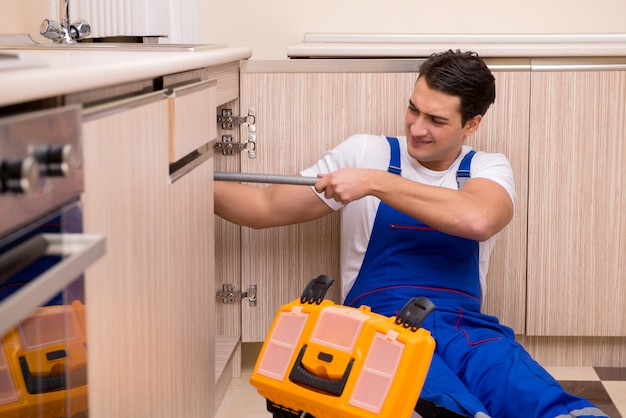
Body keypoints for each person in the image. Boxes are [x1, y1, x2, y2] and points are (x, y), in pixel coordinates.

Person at [214, 50, 607, 418]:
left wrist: (375, 184)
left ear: (472, 124)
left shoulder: (486, 168)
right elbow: (263, 208)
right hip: (378, 330)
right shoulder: (367, 152)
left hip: (466, 329)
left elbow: (478, 219)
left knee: (534, 395)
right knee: (441, 401)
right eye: (413, 110)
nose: (417, 129)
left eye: (436, 120)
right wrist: (180, 177)